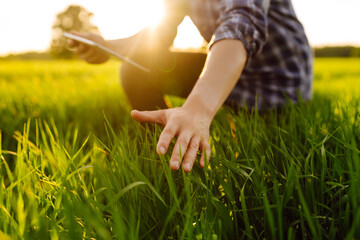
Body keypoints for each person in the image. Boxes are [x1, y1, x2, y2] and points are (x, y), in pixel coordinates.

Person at [68, 0, 313, 173]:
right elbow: (157, 35)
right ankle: (166, 157)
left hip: (277, 82)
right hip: (224, 65)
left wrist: (198, 108)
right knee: (136, 69)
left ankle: (192, 134)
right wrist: (107, 47)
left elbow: (242, 24)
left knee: (271, 153)